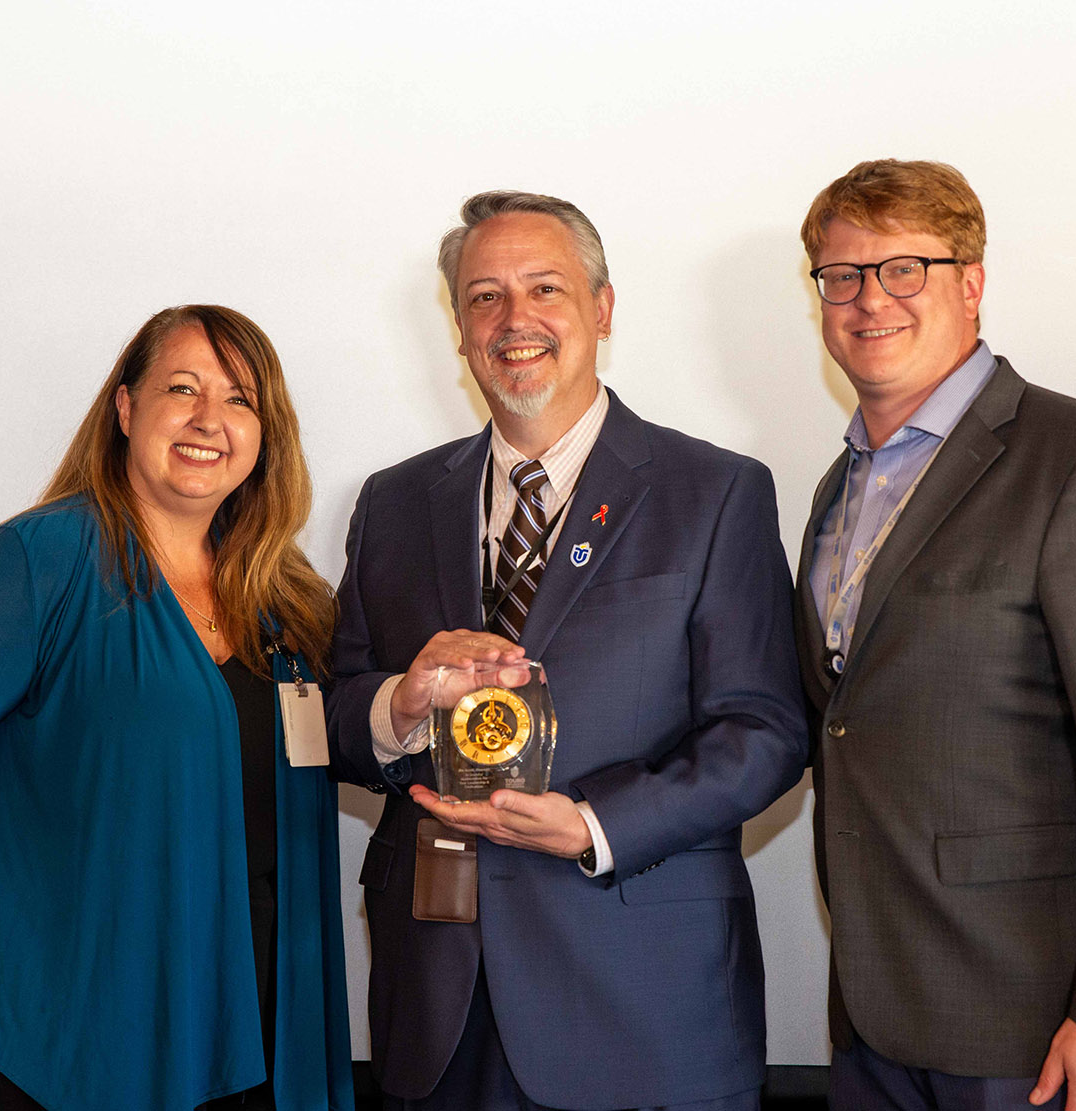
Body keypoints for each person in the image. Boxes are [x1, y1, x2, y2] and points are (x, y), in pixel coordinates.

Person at [326, 191, 809, 1111]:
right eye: (483, 296)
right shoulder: (392, 503)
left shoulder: (713, 492)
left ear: (602, 308)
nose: (514, 320)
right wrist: (396, 706)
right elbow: (340, 714)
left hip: (638, 1002)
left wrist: (593, 826)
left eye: (544, 288)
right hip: (438, 1010)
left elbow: (766, 731)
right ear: (459, 329)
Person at [793, 159, 1076, 1111]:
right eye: (842, 275)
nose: (870, 299)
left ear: (971, 282)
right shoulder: (840, 489)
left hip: (1040, 1027)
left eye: (905, 269)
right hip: (876, 1017)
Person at [0, 305, 353, 1110]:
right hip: (64, 1020)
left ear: (265, 433)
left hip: (246, 1014)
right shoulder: (38, 562)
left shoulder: (285, 598)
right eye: (181, 388)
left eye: (238, 400)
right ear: (125, 409)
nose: (207, 419)